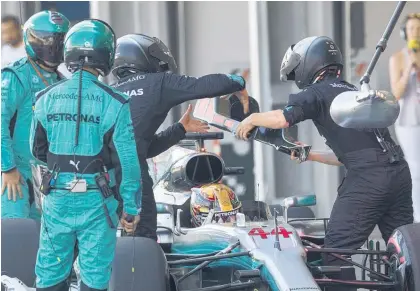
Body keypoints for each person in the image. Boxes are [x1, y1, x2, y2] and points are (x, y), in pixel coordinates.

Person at [235, 36, 413, 291]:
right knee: (406, 249)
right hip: (397, 173)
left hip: (368, 178)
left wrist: (252, 118)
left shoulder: (315, 93)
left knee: (335, 253)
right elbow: (354, 155)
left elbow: (283, 119)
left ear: (308, 65)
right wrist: (310, 155)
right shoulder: (353, 92)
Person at [30, 19, 142, 291]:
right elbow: (128, 162)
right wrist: (130, 208)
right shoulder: (116, 102)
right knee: (94, 276)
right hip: (98, 202)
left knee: (50, 272)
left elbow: (36, 150)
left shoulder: (44, 96)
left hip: (57, 197)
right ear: (107, 55)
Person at [110, 33, 249, 241]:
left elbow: (141, 148)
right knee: (142, 241)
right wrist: (237, 81)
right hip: (131, 176)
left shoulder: (110, 92)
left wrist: (180, 129)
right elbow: (202, 86)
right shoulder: (158, 82)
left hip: (99, 177)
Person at [1, 10, 70, 220]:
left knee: (45, 242)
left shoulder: (62, 81)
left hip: (49, 177)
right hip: (15, 174)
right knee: (15, 235)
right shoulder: (15, 76)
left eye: (59, 40)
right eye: (49, 40)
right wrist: (8, 168)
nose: (54, 45)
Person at [389, 13, 420, 222]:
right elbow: (396, 93)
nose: (415, 33)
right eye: (411, 29)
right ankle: (418, 217)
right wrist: (410, 65)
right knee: (416, 168)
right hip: (409, 121)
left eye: (418, 29)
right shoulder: (397, 58)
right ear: (404, 33)